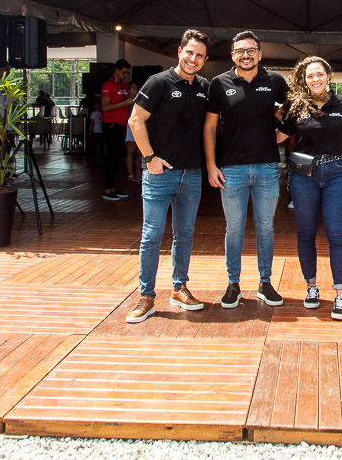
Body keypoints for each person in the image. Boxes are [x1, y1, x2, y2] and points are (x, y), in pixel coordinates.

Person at [125, 30, 211, 323]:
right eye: (189, 52)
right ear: (179, 51)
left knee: (184, 235)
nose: (193, 59)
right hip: (159, 174)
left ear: (205, 59)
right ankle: (146, 296)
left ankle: (179, 288)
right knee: (152, 236)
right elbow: (135, 120)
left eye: (199, 55)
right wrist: (150, 158)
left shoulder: (204, 87)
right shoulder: (159, 82)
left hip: (192, 174)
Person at [203, 31, 289, 309]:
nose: (246, 55)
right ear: (232, 55)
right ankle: (233, 284)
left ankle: (265, 283)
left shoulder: (275, 81)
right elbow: (210, 126)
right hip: (232, 169)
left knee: (265, 228)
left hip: (266, 166)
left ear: (260, 54)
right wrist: (211, 164)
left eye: (251, 50)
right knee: (234, 229)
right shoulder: (219, 83)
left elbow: (291, 112)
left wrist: (278, 134)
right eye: (240, 51)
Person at [276, 56, 342, 321]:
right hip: (303, 176)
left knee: (338, 235)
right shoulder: (295, 105)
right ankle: (311, 287)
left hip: (336, 174)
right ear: (304, 79)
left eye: (320, 75)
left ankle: (341, 295)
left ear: (328, 76)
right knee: (306, 233)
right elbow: (279, 135)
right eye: (310, 76)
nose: (315, 80)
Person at [101, 59, 135, 201]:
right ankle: (107, 189)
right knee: (112, 157)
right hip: (111, 124)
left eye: (127, 73)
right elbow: (105, 107)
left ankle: (113, 187)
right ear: (117, 69)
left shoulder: (122, 85)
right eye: (124, 72)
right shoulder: (108, 84)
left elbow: (126, 104)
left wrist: (131, 101)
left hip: (121, 124)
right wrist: (125, 103)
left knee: (116, 157)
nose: (126, 75)